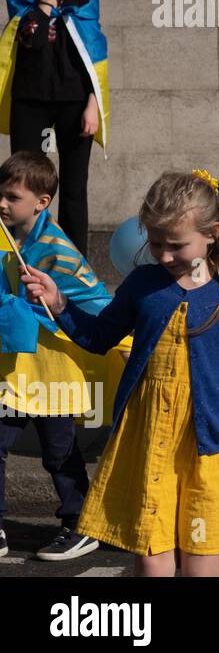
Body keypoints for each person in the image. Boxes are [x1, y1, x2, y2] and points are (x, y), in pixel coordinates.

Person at [20, 171, 219, 577]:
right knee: (152, 567)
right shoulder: (142, 284)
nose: (165, 256)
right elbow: (98, 336)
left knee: (201, 570)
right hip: (149, 446)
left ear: (212, 233)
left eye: (176, 245)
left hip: (213, 452)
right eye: (155, 244)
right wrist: (59, 301)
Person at [0, 151, 110, 561]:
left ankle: (79, 523)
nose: (2, 204)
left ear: (41, 202)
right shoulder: (6, 237)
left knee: (60, 450)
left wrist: (51, 299)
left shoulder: (56, 249)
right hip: (14, 370)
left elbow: (93, 299)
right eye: (1, 195)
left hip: (51, 373)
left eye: (12, 197)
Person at [2, 0, 110, 252]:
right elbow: (31, 39)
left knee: (75, 188)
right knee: (25, 183)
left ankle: (75, 263)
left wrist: (94, 103)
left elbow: (96, 49)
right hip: (30, 99)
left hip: (75, 99)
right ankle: (28, 256)